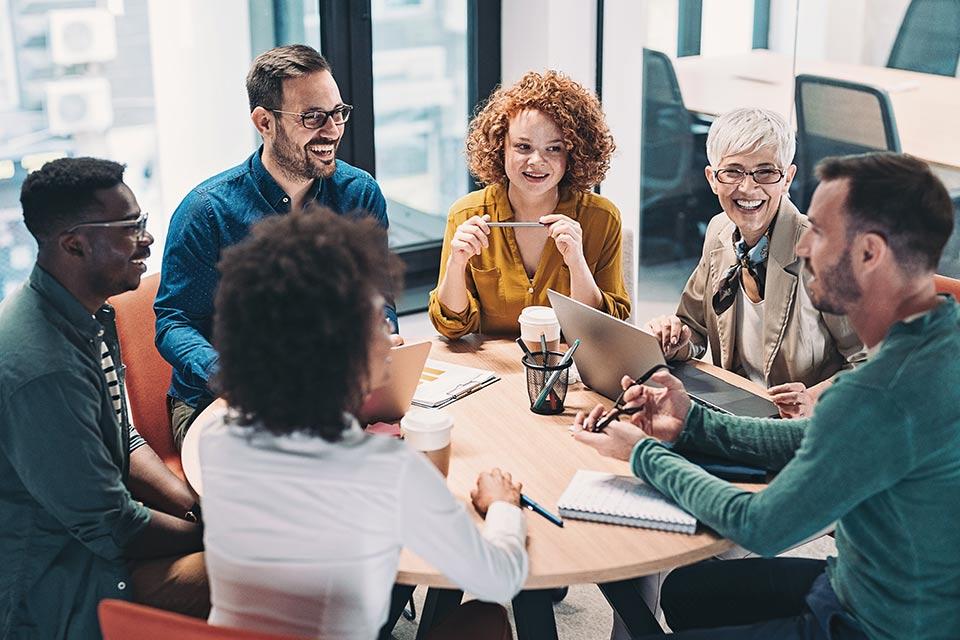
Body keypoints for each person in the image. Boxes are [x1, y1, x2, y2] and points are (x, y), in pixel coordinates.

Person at [574, 152, 960, 640]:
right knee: (686, 593)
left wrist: (643, 454)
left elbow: (759, 525)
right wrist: (690, 420)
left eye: (818, 231)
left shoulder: (877, 392)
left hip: (877, 625)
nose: (800, 243)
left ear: (869, 254)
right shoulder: (941, 335)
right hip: (861, 585)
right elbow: (815, 438)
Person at [197, 209, 528, 640]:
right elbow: (500, 577)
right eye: (374, 318)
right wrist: (502, 506)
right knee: (487, 618)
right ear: (336, 346)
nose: (390, 334)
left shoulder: (218, 439)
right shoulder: (385, 470)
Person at [0, 158, 209, 639]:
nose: (148, 240)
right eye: (131, 227)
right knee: (281, 571)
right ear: (73, 243)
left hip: (101, 541)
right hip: (67, 583)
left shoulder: (85, 314)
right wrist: (215, 534)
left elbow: (123, 437)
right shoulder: (43, 367)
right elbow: (113, 525)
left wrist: (194, 505)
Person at [155, 44, 399, 450]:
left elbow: (379, 297)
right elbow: (173, 322)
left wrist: (381, 331)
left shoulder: (359, 194)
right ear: (264, 122)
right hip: (217, 401)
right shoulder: (207, 211)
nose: (333, 130)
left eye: (338, 113)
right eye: (313, 117)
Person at [644, 108, 865, 418]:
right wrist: (673, 339)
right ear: (712, 179)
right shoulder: (719, 231)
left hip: (802, 429)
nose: (748, 188)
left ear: (787, 178)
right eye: (733, 171)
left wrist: (816, 399)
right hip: (733, 412)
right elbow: (693, 329)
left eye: (766, 172)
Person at [429, 70, 630, 339]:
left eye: (554, 148)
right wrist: (456, 263)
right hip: (494, 372)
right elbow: (451, 326)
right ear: (500, 147)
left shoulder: (602, 218)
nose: (536, 161)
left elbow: (604, 330)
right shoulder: (466, 215)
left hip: (570, 372)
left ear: (573, 153)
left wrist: (576, 262)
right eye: (523, 147)